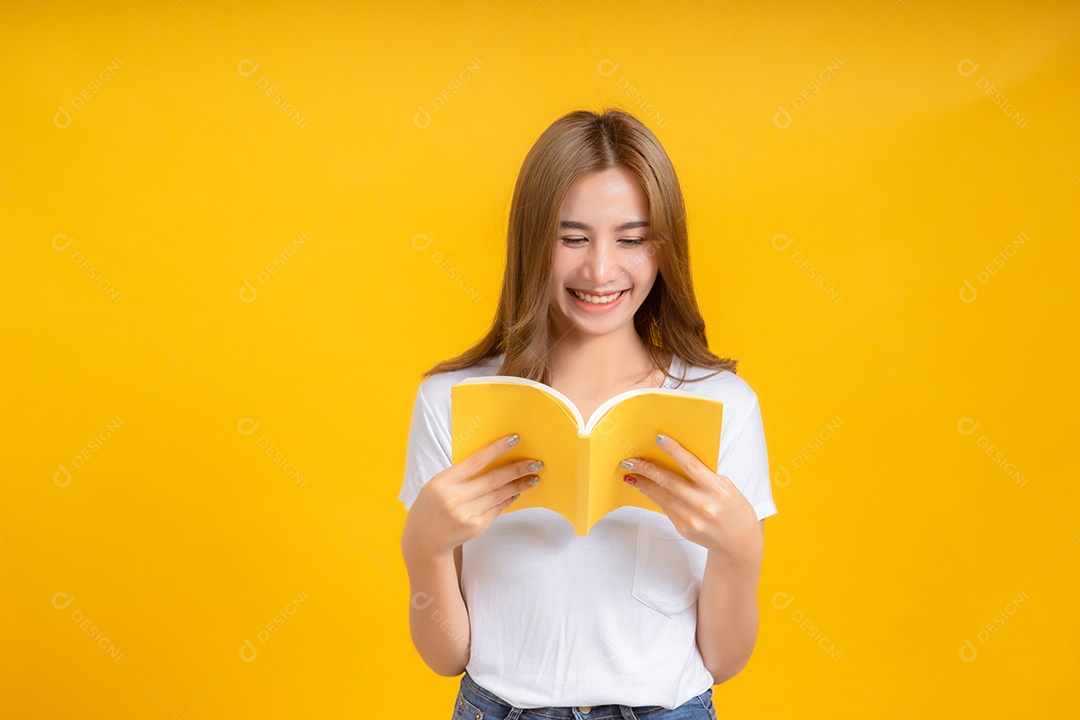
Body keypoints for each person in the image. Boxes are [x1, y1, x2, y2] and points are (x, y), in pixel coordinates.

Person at [399, 107, 778, 719]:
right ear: (531, 240)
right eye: (572, 237)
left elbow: (724, 659)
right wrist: (424, 550)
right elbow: (447, 655)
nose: (601, 270)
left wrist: (740, 552)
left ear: (665, 247)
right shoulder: (451, 401)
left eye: (631, 239)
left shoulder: (722, 404)